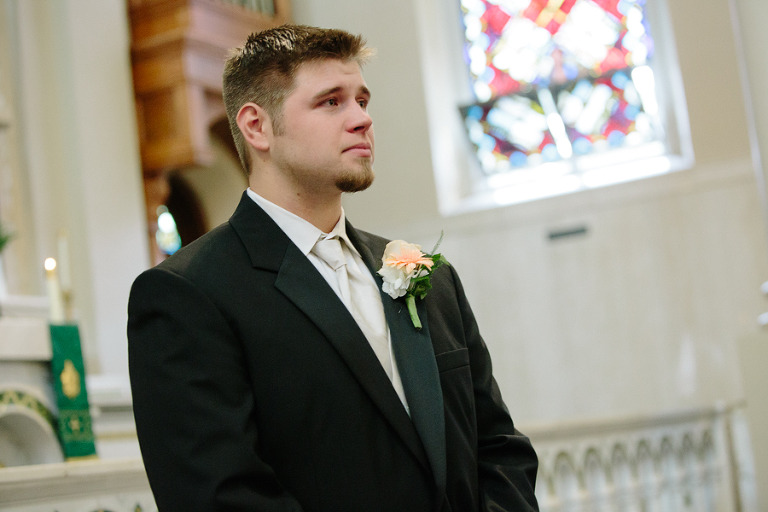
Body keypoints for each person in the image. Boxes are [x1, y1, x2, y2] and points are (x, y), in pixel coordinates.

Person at [128, 24, 539, 512]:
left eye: (362, 101)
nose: (362, 119)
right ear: (257, 127)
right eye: (331, 102)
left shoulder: (430, 277)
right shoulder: (189, 294)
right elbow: (220, 497)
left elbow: (499, 448)